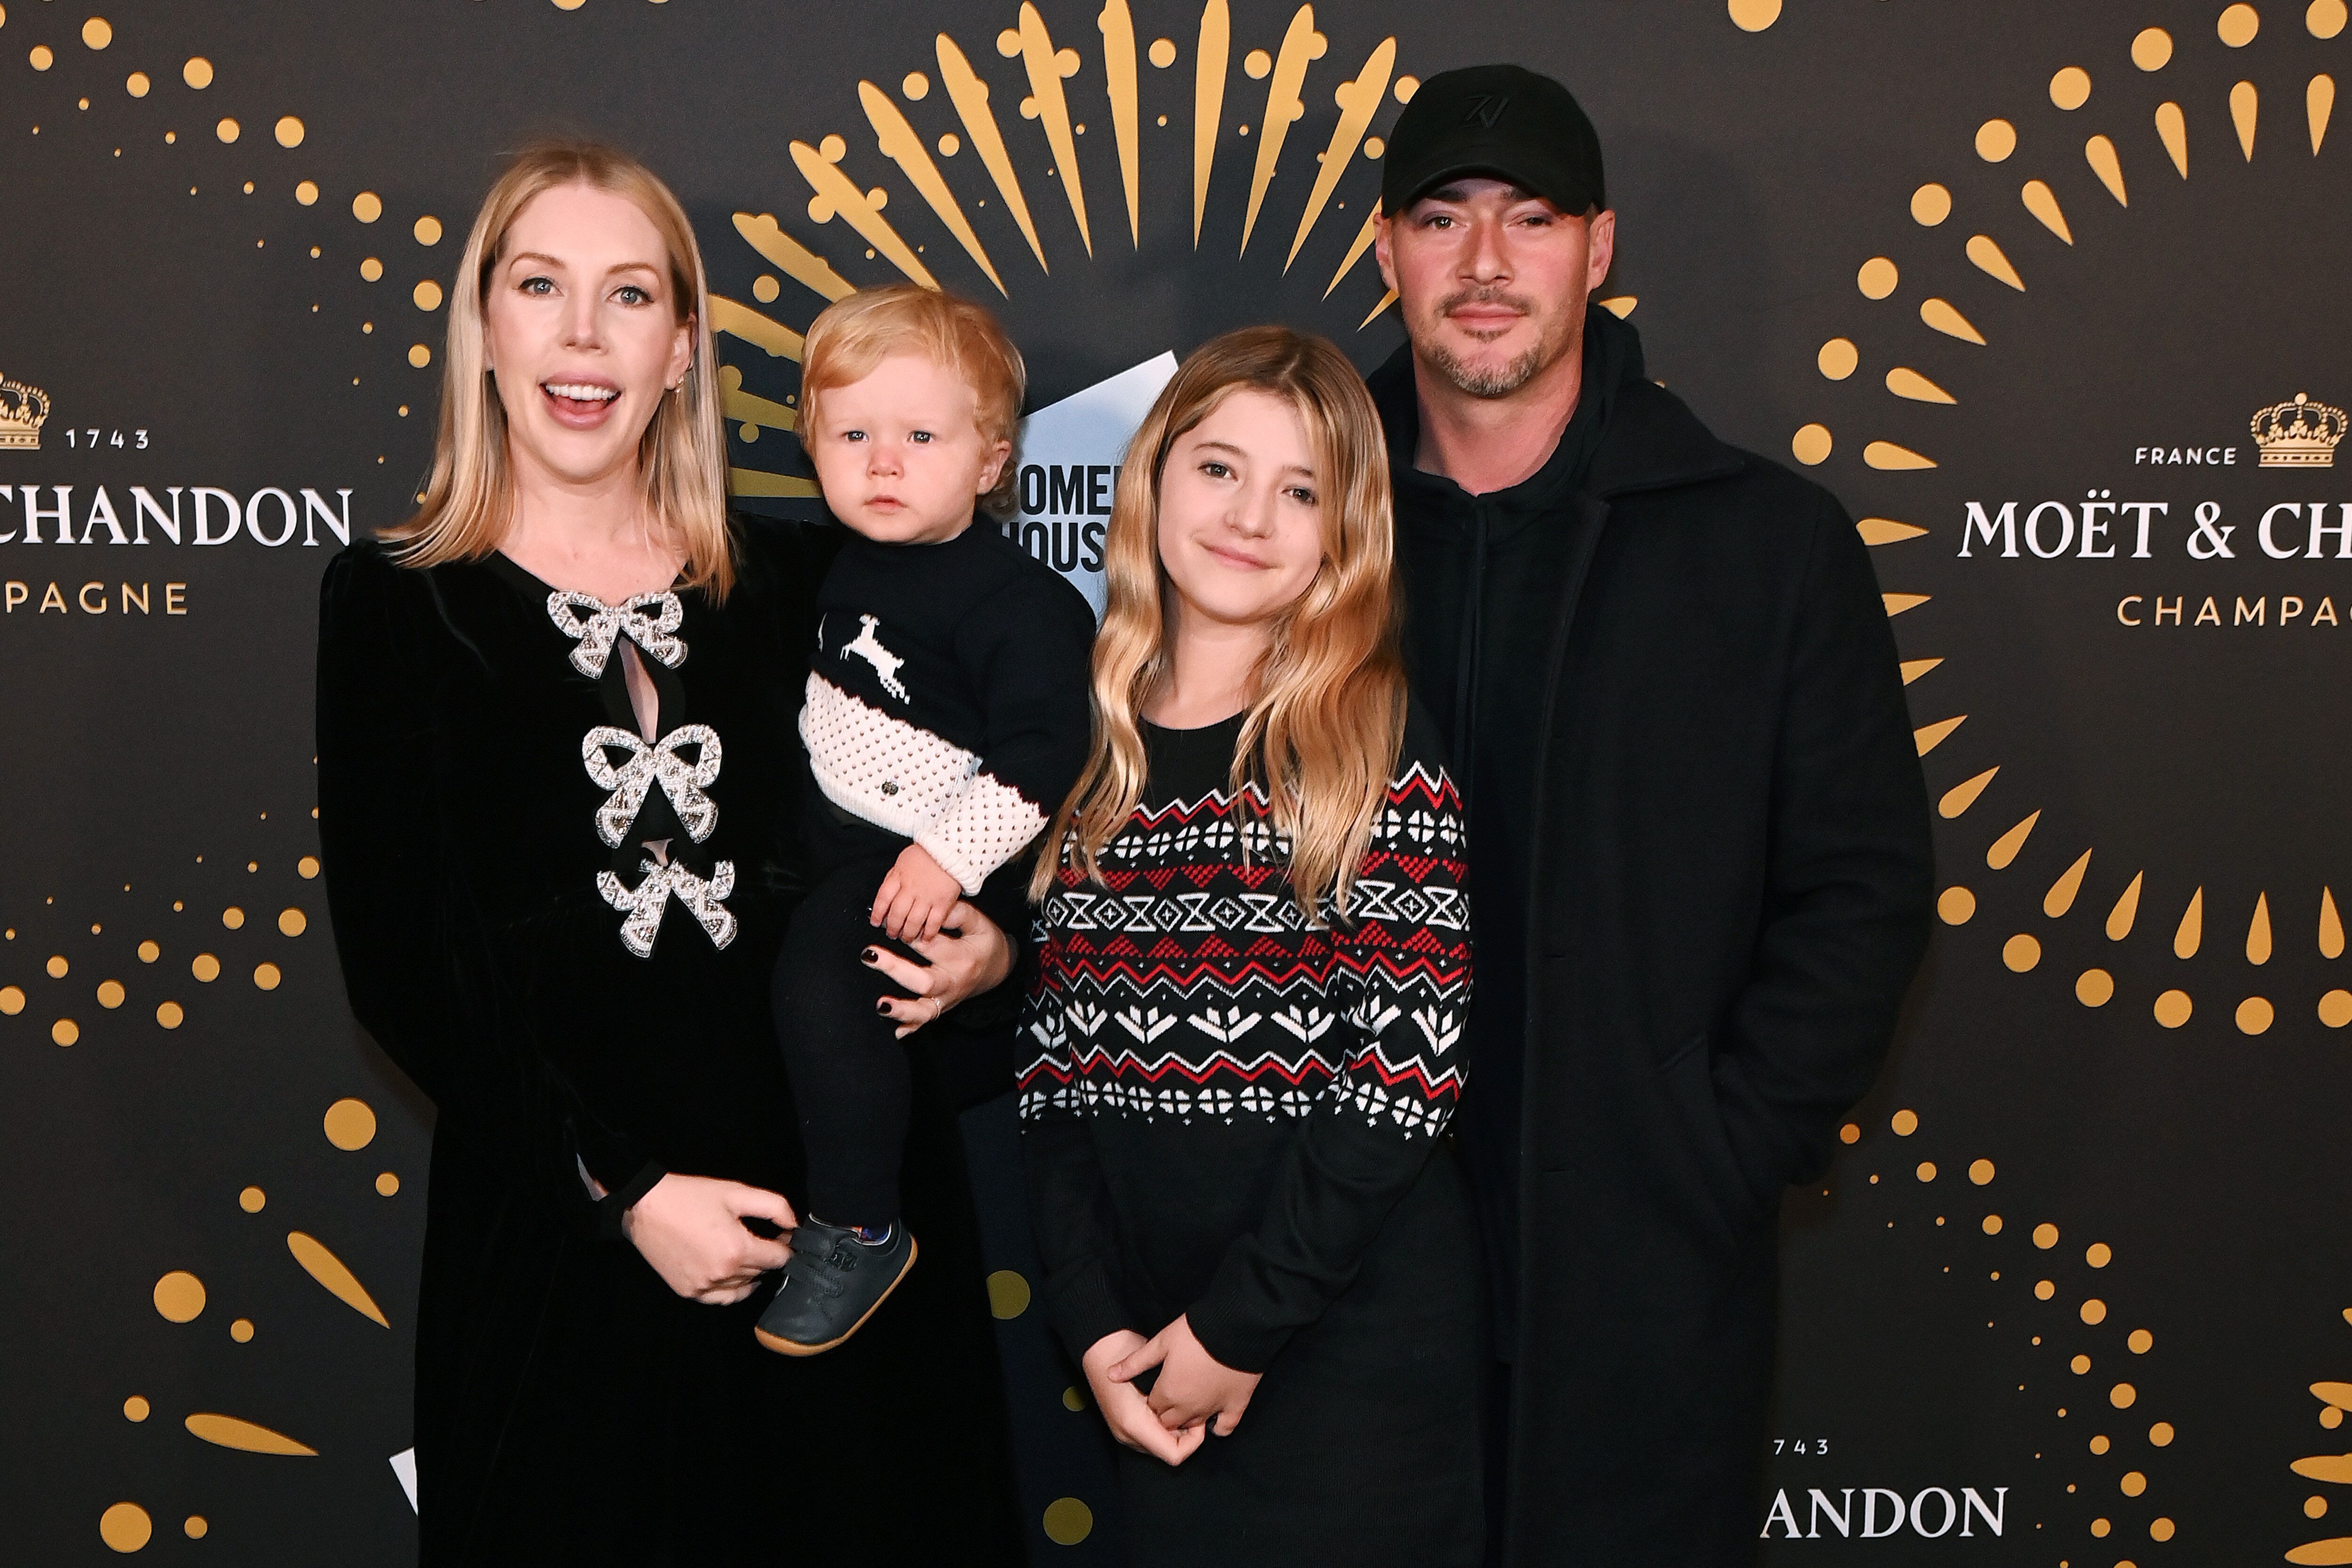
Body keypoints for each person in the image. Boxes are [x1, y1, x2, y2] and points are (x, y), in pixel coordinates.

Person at [315, 140, 1024, 1563]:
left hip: (845, 1252)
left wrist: (995, 943)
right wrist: (624, 1188)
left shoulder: (822, 582)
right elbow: (407, 971)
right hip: (566, 1265)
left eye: (628, 294)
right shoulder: (394, 607)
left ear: (683, 346)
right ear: (486, 328)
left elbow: (993, 821)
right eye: (540, 285)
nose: (583, 335)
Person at [1368, 66, 1934, 1565]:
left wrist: (1719, 1144)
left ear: (1599, 250)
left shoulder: (1766, 542)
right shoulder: (1280, 529)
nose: (1485, 267)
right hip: (1322, 1282)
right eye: (1444, 218)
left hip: (1641, 1281)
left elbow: (1865, 885)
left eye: (1531, 218)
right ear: (1386, 251)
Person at [1019, 325, 1484, 1568]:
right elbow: (1052, 1080)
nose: (1250, 516)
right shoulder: (1082, 753)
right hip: (1155, 1364)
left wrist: (1239, 1327)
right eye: (1219, 468)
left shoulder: (1370, 741)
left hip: (1353, 1373)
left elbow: (1407, 1070)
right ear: (1156, 476)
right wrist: (1094, 1324)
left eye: (1301, 490)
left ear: (1346, 531)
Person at [755, 285, 1092, 1355]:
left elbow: (1047, 755)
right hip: (834, 838)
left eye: (919, 436)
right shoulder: (828, 564)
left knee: (823, 976)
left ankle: (860, 1224)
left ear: (992, 461)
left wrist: (947, 861)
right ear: (813, 445)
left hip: (938, 858)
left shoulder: (1022, 602)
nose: (883, 461)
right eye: (853, 434)